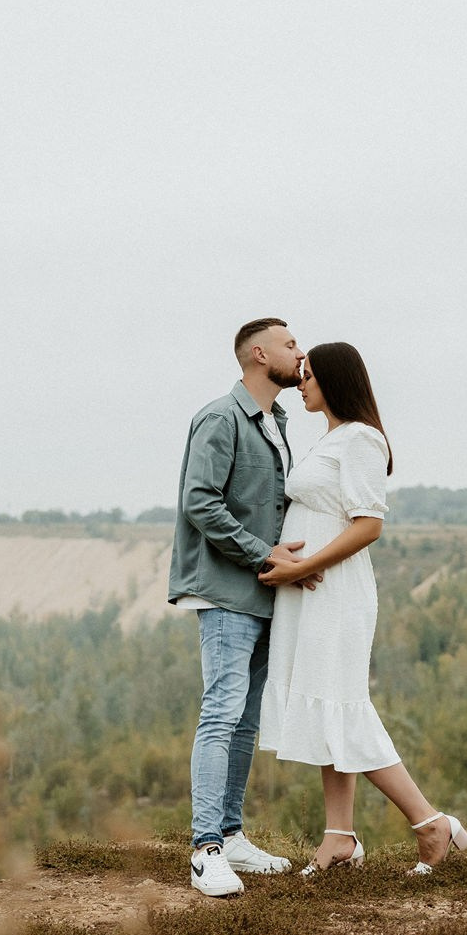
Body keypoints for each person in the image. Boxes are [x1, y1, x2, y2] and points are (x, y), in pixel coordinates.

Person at [258, 342, 467, 875]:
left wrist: (304, 567)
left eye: (307, 376)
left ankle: (430, 824)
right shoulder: (331, 438)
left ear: (334, 380)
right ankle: (339, 837)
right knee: (328, 706)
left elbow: (369, 524)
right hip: (308, 593)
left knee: (344, 707)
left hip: (335, 594)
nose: (299, 383)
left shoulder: (360, 440)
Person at [169, 318, 321, 897]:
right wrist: (267, 555)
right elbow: (200, 503)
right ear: (258, 354)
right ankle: (205, 849)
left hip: (265, 593)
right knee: (222, 711)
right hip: (228, 591)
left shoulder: (278, 423)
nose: (299, 352)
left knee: (246, 720)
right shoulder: (220, 417)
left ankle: (231, 836)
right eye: (289, 344)